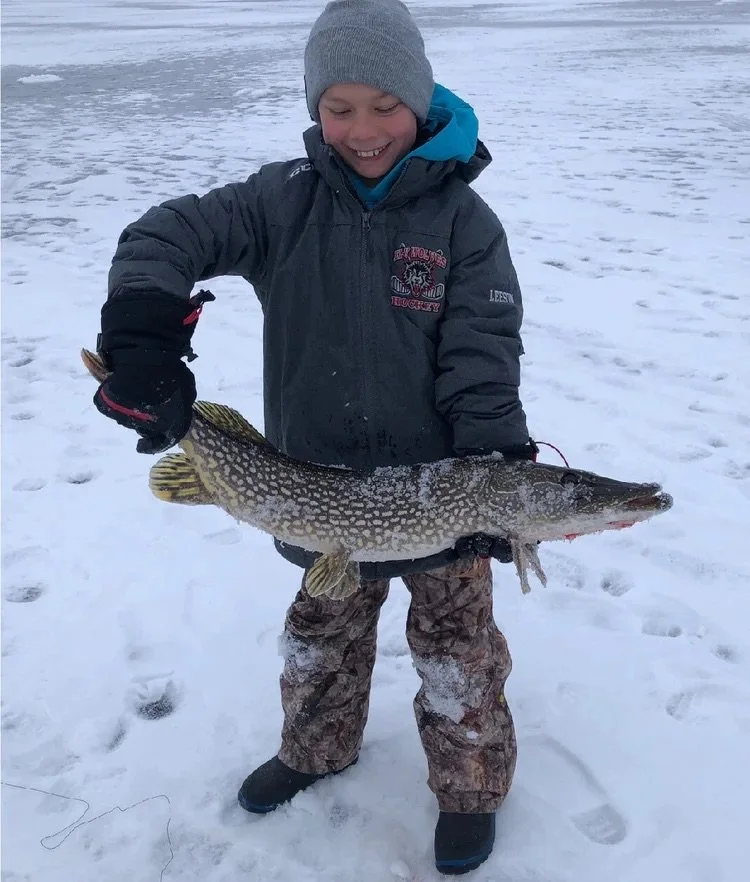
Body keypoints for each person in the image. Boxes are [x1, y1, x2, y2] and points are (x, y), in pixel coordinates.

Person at [92, 0, 536, 874]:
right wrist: (144, 337)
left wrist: (492, 467)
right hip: (309, 479)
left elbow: (482, 358)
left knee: (459, 653)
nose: (363, 129)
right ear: (313, 108)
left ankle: (471, 789)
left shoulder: (463, 226)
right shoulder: (279, 204)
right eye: (339, 108)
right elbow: (164, 233)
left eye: (383, 105)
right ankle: (315, 751)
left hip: (438, 492)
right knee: (320, 638)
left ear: (419, 97)